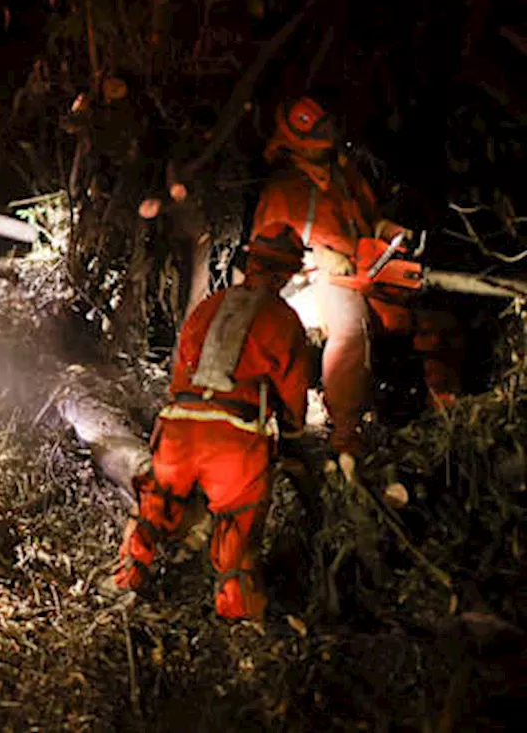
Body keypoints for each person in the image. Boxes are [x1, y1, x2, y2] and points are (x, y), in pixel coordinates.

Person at [251, 96, 464, 476]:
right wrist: (316, 255)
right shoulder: (283, 189)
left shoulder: (344, 175)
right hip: (313, 283)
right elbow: (267, 253)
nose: (328, 138)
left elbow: (371, 219)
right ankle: (345, 437)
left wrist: (390, 232)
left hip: (364, 269)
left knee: (426, 315)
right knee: (351, 331)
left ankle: (446, 416)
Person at [111, 222, 312, 621]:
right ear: (289, 272)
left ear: (249, 261)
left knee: (155, 505)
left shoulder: (209, 305)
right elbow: (293, 392)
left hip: (180, 427)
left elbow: (181, 367)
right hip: (235, 441)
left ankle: (127, 578)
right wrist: (292, 432)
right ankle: (235, 616)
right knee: (238, 527)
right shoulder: (284, 320)